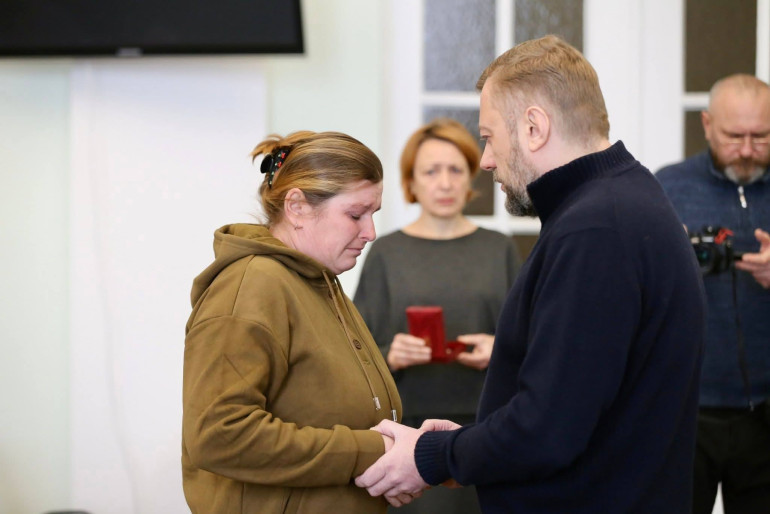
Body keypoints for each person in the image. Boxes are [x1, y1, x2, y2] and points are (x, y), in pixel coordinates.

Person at [355, 34, 706, 513]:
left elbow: (548, 431)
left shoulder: (595, 229)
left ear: (534, 127)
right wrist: (469, 442)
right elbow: (578, 405)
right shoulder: (621, 200)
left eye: (488, 137)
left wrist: (433, 455)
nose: (486, 160)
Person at [181, 130, 406, 513]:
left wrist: (393, 462)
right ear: (297, 207)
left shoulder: (320, 282)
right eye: (355, 215)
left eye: (373, 215)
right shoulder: (253, 286)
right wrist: (372, 452)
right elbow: (220, 434)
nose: (370, 233)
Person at [353, 118, 520, 514]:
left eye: (455, 170)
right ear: (411, 181)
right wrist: (391, 355)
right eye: (431, 171)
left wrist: (500, 349)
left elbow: (532, 341)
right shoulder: (386, 252)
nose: (444, 183)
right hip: (405, 435)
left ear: (471, 177)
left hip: (485, 430)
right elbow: (354, 354)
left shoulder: (499, 249)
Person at [656, 73, 770, 514]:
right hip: (685, 408)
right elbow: (632, 288)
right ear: (706, 125)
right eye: (734, 136)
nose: (747, 150)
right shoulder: (667, 187)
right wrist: (673, 264)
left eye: (761, 136)